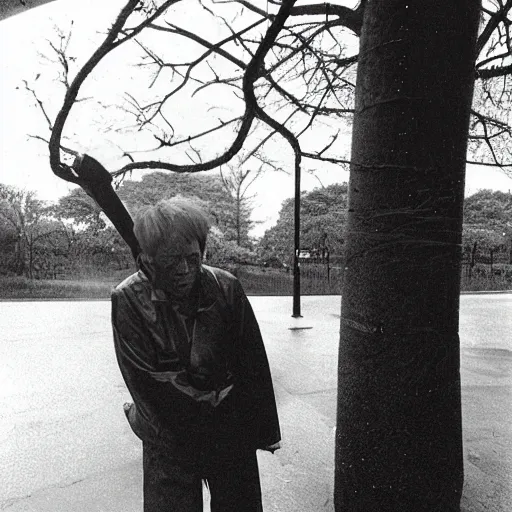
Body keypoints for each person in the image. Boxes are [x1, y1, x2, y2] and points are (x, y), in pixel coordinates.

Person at [111, 197, 281, 511]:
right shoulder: (129, 299)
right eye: (172, 260)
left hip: (228, 431)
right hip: (169, 431)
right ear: (149, 259)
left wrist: (263, 429)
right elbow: (152, 382)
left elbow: (252, 362)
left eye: (193, 257)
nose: (186, 269)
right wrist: (224, 402)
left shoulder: (225, 286)